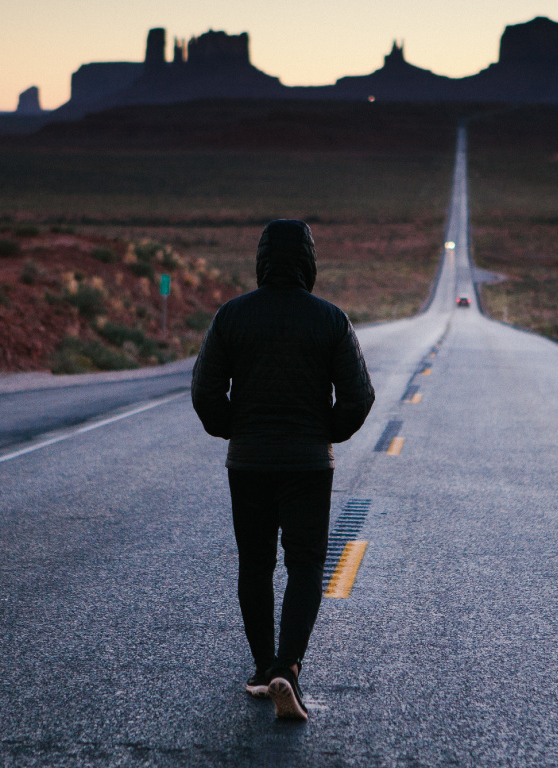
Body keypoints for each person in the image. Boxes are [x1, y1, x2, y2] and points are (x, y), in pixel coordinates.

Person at [191, 219, 375, 721]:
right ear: (309, 262)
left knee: (255, 564)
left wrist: (235, 430)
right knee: (306, 564)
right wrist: (325, 434)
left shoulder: (231, 316)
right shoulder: (330, 319)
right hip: (308, 464)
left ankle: (260, 668)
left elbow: (204, 392)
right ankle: (287, 668)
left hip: (248, 460)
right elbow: (359, 396)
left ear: (262, 259)